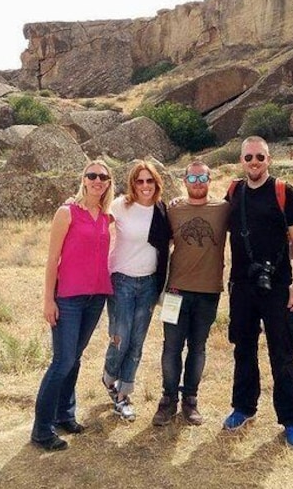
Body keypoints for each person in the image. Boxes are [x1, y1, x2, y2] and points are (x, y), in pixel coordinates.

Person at [222, 136, 293, 448]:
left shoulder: (284, 191)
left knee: (282, 352)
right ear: (241, 160)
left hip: (277, 288)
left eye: (260, 157)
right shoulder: (233, 191)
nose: (254, 162)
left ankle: (291, 419)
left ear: (269, 159)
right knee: (243, 349)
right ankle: (243, 407)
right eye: (248, 158)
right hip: (243, 287)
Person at [31, 160, 115, 451]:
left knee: (75, 358)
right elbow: (52, 259)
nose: (97, 180)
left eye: (103, 176)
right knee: (62, 361)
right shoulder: (66, 213)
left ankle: (64, 415)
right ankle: (41, 431)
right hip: (68, 298)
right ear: (83, 179)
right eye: (92, 175)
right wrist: (48, 299)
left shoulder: (107, 216)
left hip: (96, 297)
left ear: (108, 182)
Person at [152, 160, 230, 427]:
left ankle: (190, 401)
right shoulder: (173, 209)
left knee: (197, 347)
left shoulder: (223, 209)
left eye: (202, 179)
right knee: (171, 347)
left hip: (208, 292)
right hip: (175, 291)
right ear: (184, 181)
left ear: (210, 179)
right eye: (192, 179)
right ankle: (168, 400)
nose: (198, 184)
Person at [102, 160, 170, 420]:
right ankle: (109, 377)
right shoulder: (121, 206)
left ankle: (123, 394)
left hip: (149, 283)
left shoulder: (162, 210)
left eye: (149, 181)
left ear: (156, 183)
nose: (144, 186)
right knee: (121, 338)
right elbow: (95, 218)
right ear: (133, 183)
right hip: (121, 281)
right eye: (139, 181)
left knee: (137, 342)